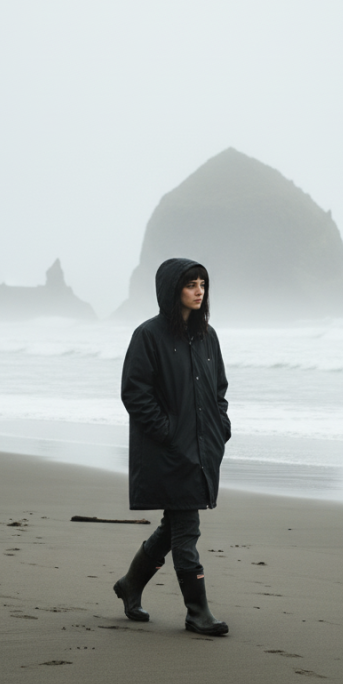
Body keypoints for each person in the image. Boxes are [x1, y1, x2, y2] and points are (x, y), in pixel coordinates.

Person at [115, 257, 231, 636]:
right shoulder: (148, 336)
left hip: (202, 449)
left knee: (175, 524)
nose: (199, 291)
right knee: (186, 529)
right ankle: (197, 612)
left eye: (203, 284)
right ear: (172, 290)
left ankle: (131, 584)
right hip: (168, 452)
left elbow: (218, 390)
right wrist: (167, 433)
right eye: (190, 284)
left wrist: (220, 427)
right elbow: (135, 393)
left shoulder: (208, 336)